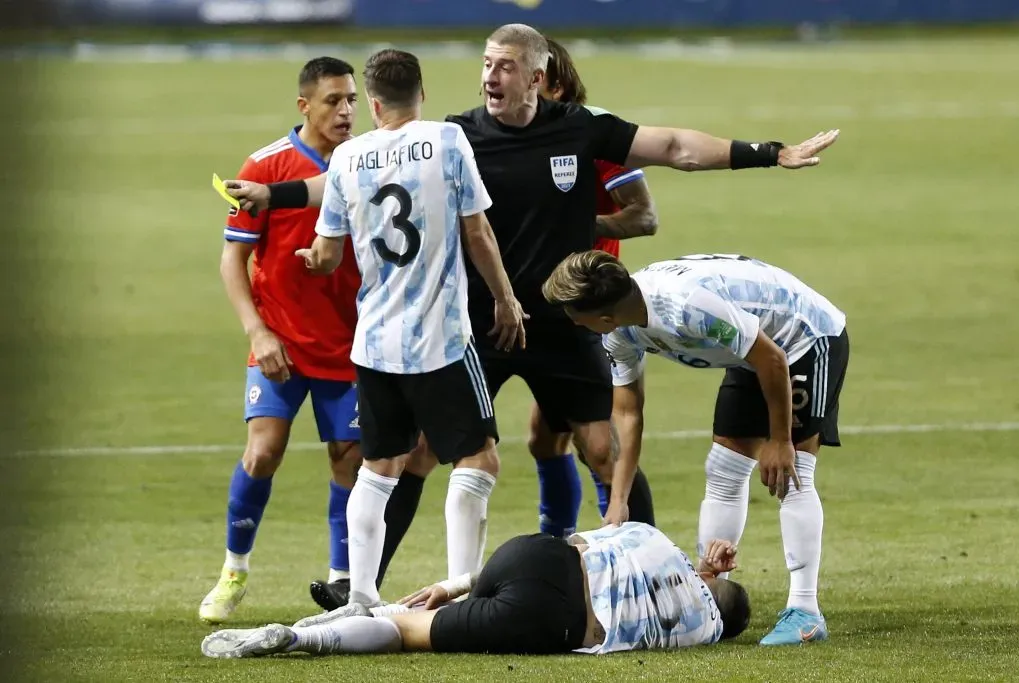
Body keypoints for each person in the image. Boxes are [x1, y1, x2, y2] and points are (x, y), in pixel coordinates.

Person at [221, 23, 840, 526]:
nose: (491, 74)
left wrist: (768, 153)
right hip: (478, 323)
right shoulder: (454, 135)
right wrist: (274, 198)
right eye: (487, 63)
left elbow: (676, 146)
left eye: (506, 65)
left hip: (566, 322)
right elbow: (345, 179)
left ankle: (645, 567)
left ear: (537, 78)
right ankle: (360, 591)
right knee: (418, 452)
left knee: (602, 449)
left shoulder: (581, 128)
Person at [294, 49, 525, 612]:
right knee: (478, 459)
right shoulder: (447, 141)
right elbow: (478, 232)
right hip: (441, 338)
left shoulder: (346, 158)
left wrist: (310, 259)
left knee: (378, 467)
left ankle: (362, 596)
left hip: (374, 342)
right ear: (420, 94)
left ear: (372, 103)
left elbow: (326, 254)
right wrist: (505, 297)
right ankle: (464, 588)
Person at [201, 56, 421, 624]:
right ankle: (234, 570)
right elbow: (233, 259)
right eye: (333, 101)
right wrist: (258, 330)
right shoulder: (266, 164)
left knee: (349, 459)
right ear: (305, 105)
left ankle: (343, 584)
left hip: (352, 345)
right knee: (263, 450)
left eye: (352, 99)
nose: (346, 110)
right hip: (280, 342)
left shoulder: (373, 159)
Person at [541, 250, 850, 646]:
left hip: (804, 336)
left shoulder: (687, 308)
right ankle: (707, 594)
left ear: (603, 318)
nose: (570, 321)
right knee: (723, 468)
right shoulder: (620, 328)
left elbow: (772, 359)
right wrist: (618, 501)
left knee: (793, 472)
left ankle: (805, 612)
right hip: (753, 350)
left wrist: (779, 439)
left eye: (572, 314)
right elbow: (628, 412)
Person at [200, 522, 751, 658]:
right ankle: (301, 642)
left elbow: (577, 536)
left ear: (712, 579)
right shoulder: (703, 630)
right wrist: (709, 583)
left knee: (437, 604)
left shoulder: (650, 538)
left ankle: (333, 615)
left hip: (533, 554)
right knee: (406, 632)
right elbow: (692, 602)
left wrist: (452, 582)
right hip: (552, 616)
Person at [531, 36, 659, 535]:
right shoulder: (514, 139)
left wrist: (579, 222)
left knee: (600, 444)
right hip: (542, 305)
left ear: (555, 83)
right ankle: (555, 542)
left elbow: (644, 217)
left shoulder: (593, 135)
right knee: (545, 437)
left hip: (589, 309)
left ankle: (638, 550)